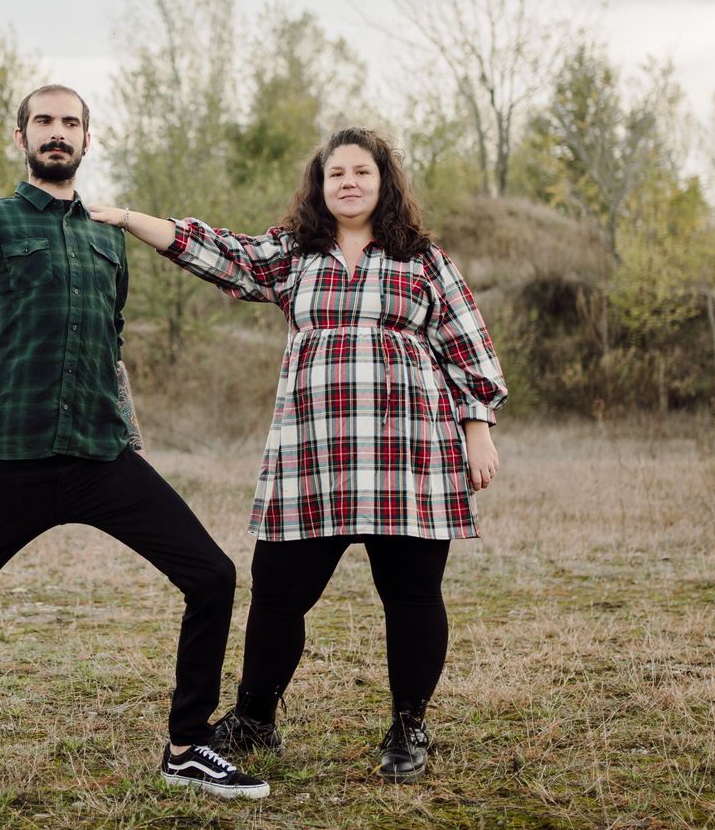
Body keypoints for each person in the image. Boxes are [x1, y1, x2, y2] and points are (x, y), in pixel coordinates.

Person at [0, 85, 269, 800]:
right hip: (11, 458)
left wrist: (132, 437)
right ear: (21, 136)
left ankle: (187, 746)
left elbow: (111, 350)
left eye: (70, 123)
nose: (56, 133)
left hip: (101, 456)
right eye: (43, 122)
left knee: (212, 576)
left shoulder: (107, 237)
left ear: (88, 138)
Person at [89, 126, 506, 783]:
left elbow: (468, 345)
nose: (348, 182)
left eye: (361, 172)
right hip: (313, 455)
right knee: (278, 593)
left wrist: (477, 426)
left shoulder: (423, 260)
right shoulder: (292, 255)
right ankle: (256, 719)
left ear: (384, 183)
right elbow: (216, 251)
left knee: (412, 594)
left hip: (407, 453)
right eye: (336, 173)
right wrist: (126, 218)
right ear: (320, 186)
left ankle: (408, 727)